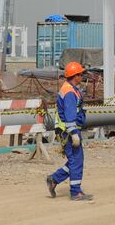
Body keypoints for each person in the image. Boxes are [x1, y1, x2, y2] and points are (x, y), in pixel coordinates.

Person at [46, 62, 92, 202]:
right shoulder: (70, 92)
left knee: (75, 160)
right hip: (69, 132)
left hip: (67, 130)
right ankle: (75, 192)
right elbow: (70, 115)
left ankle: (54, 179)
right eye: (80, 74)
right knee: (76, 161)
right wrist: (73, 134)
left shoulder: (70, 89)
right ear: (75, 76)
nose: (82, 76)